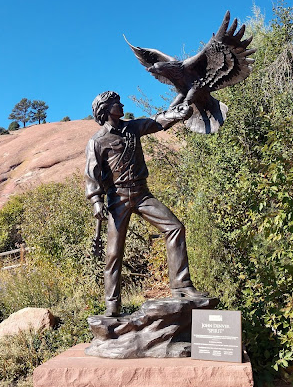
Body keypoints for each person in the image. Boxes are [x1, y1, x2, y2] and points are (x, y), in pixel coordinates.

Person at [85, 91, 206, 317]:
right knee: (113, 253)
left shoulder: (132, 128)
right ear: (105, 109)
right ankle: (112, 304)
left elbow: (156, 122)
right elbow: (92, 174)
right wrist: (96, 201)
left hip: (142, 194)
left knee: (175, 228)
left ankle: (181, 286)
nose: (121, 105)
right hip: (117, 198)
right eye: (116, 103)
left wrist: (177, 114)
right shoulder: (97, 141)